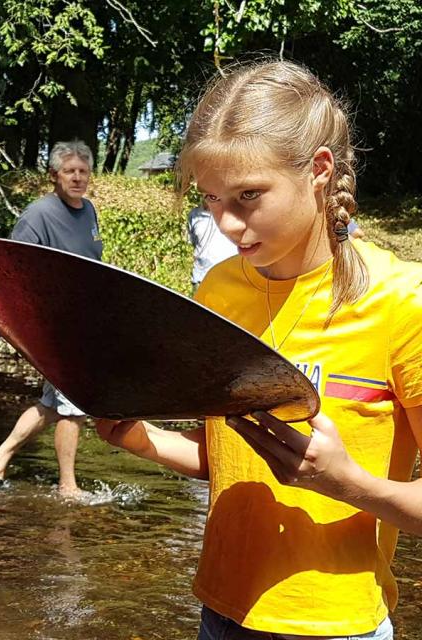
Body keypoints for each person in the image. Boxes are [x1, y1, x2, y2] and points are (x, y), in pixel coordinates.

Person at [96, 59, 422, 640]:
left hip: (336, 626)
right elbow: (232, 460)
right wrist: (133, 436)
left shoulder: (401, 302)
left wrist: (348, 483)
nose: (225, 222)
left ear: (319, 171)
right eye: (211, 198)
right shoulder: (218, 290)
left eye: (248, 196)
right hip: (219, 612)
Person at [0, 140, 103, 498]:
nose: (77, 178)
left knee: (51, 405)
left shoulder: (88, 211)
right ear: (54, 175)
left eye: (83, 171)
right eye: (69, 171)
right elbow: (7, 270)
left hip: (81, 325)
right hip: (51, 328)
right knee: (73, 405)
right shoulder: (38, 214)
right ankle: (68, 487)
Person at [187, 200, 237, 293]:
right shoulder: (194, 215)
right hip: (201, 279)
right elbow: (194, 242)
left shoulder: (233, 214)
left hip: (229, 279)